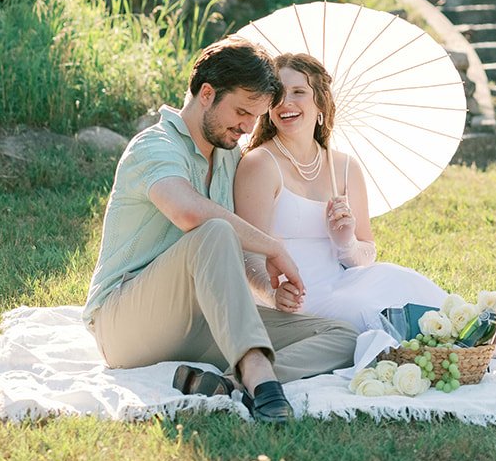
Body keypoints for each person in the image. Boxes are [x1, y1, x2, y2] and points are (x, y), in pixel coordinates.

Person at [82, 37, 358, 423]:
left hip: (201, 320)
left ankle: (228, 384)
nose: (247, 128)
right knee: (214, 230)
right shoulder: (154, 146)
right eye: (242, 112)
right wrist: (274, 248)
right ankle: (261, 378)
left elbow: (232, 258)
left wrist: (268, 288)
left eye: (255, 117)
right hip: (126, 323)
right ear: (207, 94)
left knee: (342, 337)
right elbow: (188, 213)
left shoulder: (229, 157)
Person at [233, 51, 496, 359]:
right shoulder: (260, 164)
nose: (286, 103)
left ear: (320, 103)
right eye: (277, 96)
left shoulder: (344, 167)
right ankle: (474, 352)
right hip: (295, 296)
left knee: (401, 280)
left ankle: (483, 343)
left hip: (343, 280)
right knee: (364, 311)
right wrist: (273, 294)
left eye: (298, 92)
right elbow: (247, 253)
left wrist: (346, 243)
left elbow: (366, 254)